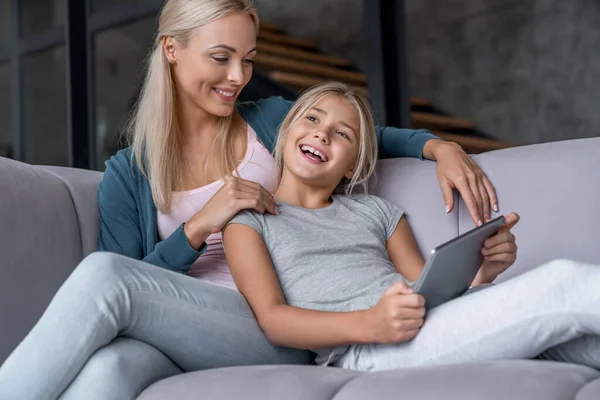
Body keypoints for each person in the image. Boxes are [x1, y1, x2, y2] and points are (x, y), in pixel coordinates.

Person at [0, 1, 501, 399]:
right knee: (109, 369)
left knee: (103, 275)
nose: (238, 76)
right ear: (172, 49)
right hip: (188, 331)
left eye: (248, 60)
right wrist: (198, 227)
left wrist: (439, 146)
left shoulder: (270, 122)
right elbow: (141, 286)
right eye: (222, 58)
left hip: (276, 324)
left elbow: (364, 134)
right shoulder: (127, 175)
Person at [223, 81, 600, 372]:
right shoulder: (249, 221)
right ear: (287, 132)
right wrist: (371, 324)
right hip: (370, 348)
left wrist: (482, 271)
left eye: (343, 134)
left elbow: (428, 287)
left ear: (352, 166)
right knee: (560, 283)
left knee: (581, 344)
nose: (323, 133)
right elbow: (273, 320)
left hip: (428, 323)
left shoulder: (376, 211)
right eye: (313, 119)